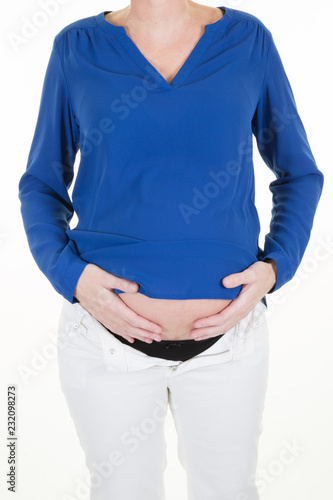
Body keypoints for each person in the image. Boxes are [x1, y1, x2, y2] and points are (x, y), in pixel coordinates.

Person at [18, 2, 324, 499]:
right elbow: (41, 184)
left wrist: (275, 267)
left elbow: (300, 173)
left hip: (228, 348)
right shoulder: (77, 47)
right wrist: (68, 275)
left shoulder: (248, 40)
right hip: (103, 345)